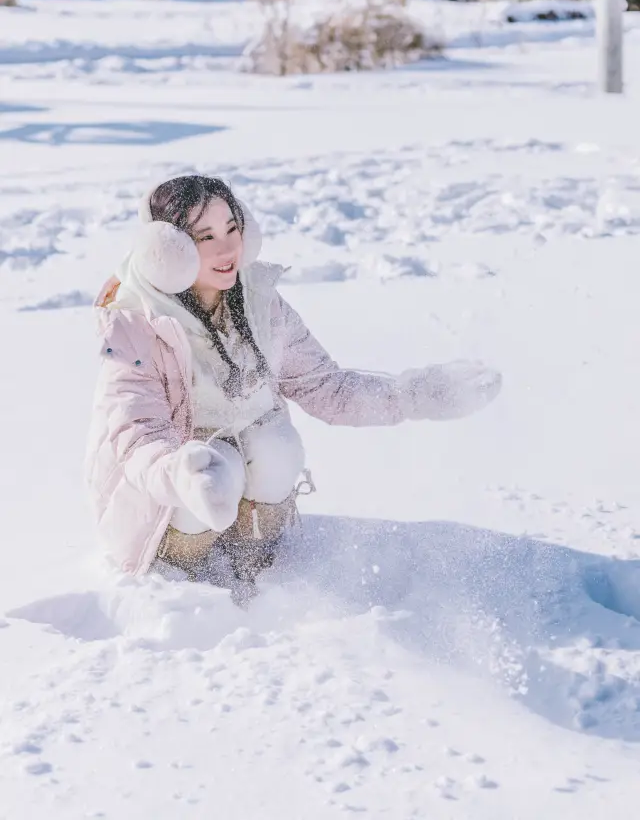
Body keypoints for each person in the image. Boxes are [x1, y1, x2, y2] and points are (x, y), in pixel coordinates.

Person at [86, 175, 501, 604]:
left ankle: (256, 563)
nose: (228, 249)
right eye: (204, 237)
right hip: (157, 501)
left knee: (275, 446)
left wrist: (412, 396)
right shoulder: (137, 325)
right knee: (217, 469)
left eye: (232, 228)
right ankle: (185, 580)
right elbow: (136, 438)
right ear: (168, 251)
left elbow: (327, 387)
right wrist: (180, 474)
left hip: (236, 471)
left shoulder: (258, 301)